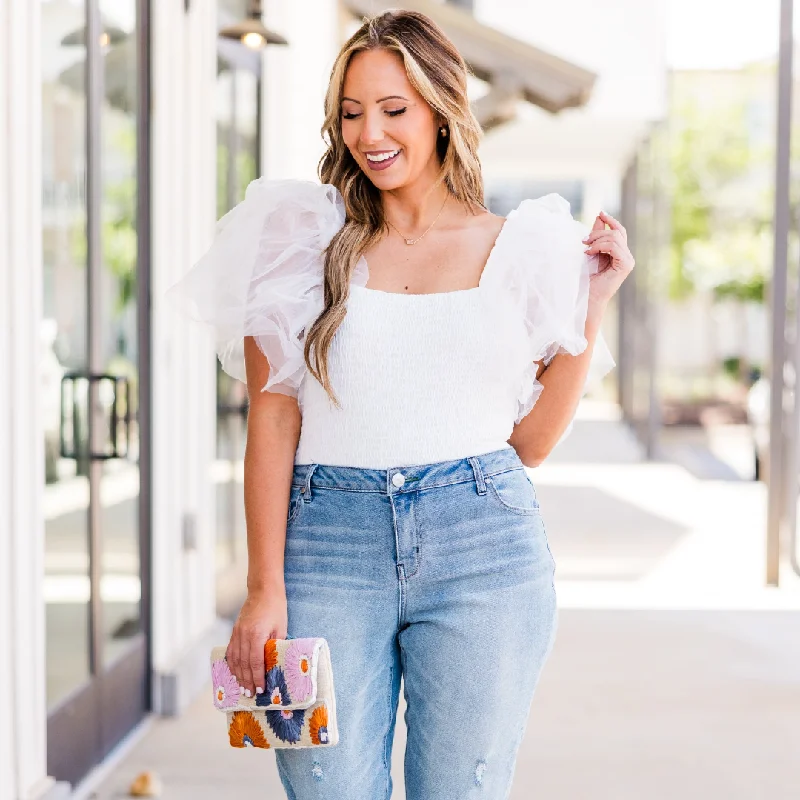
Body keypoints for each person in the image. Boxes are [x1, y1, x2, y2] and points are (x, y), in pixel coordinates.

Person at [166, 9, 633, 799]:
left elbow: (532, 444)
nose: (368, 133)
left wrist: (593, 307)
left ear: (443, 110)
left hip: (482, 541)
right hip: (326, 546)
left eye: (393, 109)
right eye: (351, 112)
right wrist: (262, 588)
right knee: (324, 787)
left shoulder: (523, 245)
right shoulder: (300, 237)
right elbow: (273, 417)